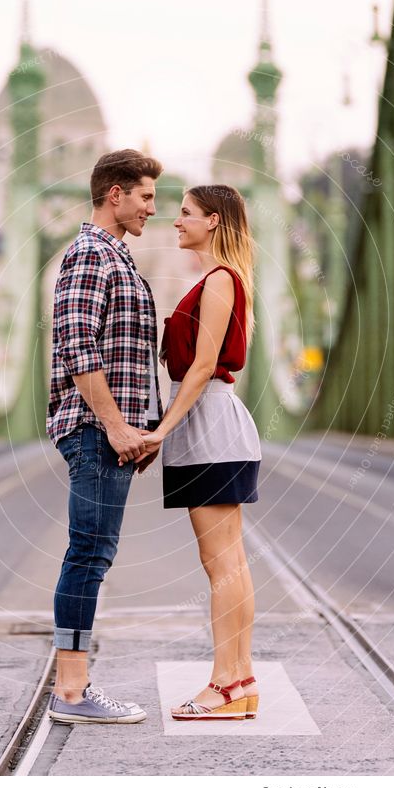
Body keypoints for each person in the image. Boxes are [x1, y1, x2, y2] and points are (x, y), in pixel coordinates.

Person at [126, 185, 262, 720]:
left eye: (185, 213)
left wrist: (160, 431)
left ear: (214, 221)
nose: (174, 221)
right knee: (227, 562)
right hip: (210, 425)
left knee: (221, 564)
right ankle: (240, 679)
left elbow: (203, 366)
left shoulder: (220, 280)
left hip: (209, 425)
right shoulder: (216, 281)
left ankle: (226, 683)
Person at [46, 149, 163, 724]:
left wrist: (146, 426)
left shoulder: (118, 257)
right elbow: (78, 346)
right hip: (95, 431)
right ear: (114, 194)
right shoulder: (92, 255)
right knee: (89, 553)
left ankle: (74, 685)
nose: (151, 210)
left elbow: (130, 354)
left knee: (94, 553)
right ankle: (71, 692)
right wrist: (117, 426)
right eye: (145, 197)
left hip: (110, 432)